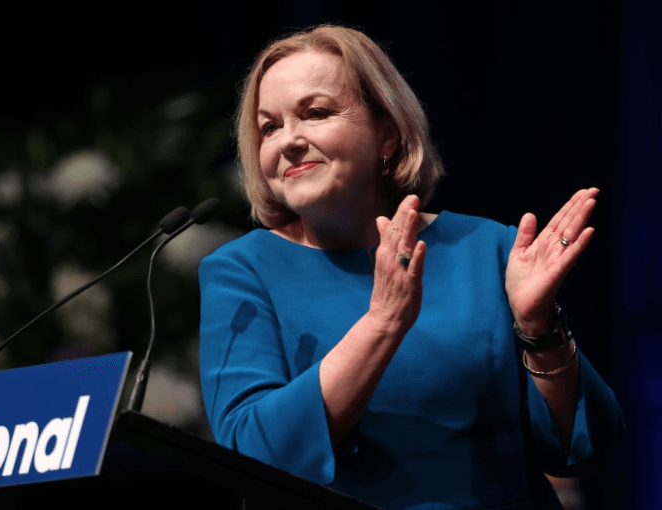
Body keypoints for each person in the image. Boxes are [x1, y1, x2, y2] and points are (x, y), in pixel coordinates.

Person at [198, 25, 623, 509]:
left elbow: (584, 449)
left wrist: (539, 330)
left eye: (315, 113)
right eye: (269, 126)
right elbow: (252, 456)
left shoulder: (490, 249)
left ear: (388, 133)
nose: (287, 141)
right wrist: (382, 323)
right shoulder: (241, 271)